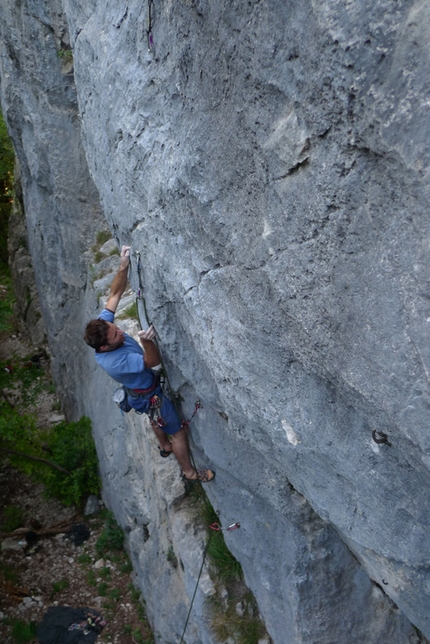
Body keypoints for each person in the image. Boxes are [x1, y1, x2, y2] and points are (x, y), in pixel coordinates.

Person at [84, 245, 215, 483]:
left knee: (154, 418)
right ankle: (190, 472)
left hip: (138, 395)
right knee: (177, 431)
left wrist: (123, 267)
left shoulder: (103, 330)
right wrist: (147, 341)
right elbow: (151, 360)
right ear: (103, 347)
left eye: (116, 328)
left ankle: (164, 446)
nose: (121, 332)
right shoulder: (115, 361)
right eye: (116, 336)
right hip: (149, 393)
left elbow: (114, 295)